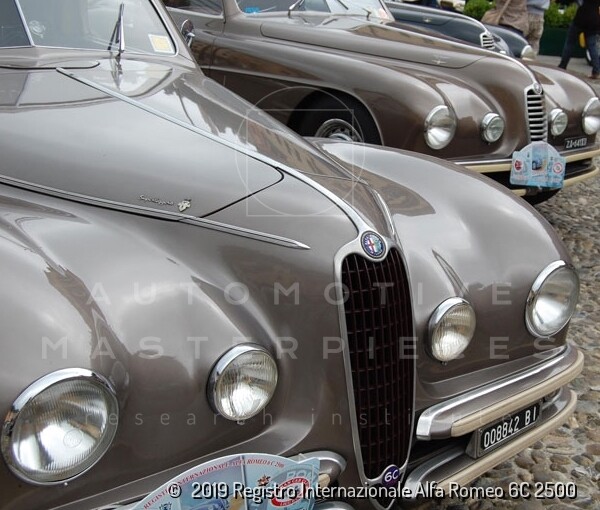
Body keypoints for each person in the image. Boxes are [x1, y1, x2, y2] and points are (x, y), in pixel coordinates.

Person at [559, 0, 600, 79]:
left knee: (570, 43)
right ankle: (596, 71)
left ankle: (562, 66)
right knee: (592, 46)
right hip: (594, 19)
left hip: (581, 17)